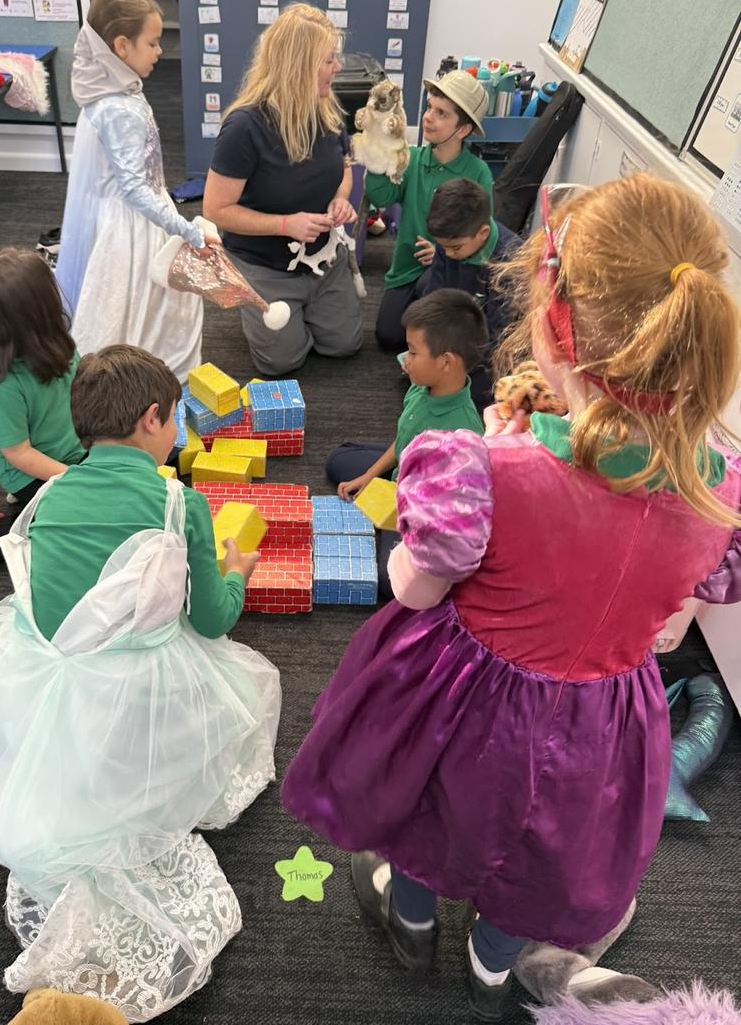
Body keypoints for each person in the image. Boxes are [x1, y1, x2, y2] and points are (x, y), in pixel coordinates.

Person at [282, 174, 741, 1020]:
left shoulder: (479, 467)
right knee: (542, 862)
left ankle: (411, 923)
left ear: (553, 329)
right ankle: (491, 971)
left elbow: (416, 586)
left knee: (426, 815)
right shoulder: (720, 493)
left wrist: (490, 465)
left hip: (465, 705)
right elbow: (672, 624)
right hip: (602, 725)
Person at [0, 344, 280, 1019]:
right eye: (177, 420)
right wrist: (237, 571)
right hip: (142, 690)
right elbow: (213, 621)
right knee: (241, 690)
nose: (179, 434)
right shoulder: (178, 502)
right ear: (150, 419)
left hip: (54, 685)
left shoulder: (47, 496)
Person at [55, 0, 218, 384]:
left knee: (136, 306)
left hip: (130, 212)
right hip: (133, 224)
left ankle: (130, 379)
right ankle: (134, 381)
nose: (160, 51)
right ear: (122, 46)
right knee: (141, 304)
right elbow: (134, 188)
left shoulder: (109, 94)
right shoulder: (118, 108)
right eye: (152, 42)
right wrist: (187, 230)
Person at [203, 2, 362, 376]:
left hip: (322, 256)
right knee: (281, 362)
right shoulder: (244, 127)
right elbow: (215, 210)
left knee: (344, 345)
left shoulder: (326, 110)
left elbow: (345, 169)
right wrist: (285, 225)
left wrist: (340, 199)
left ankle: (303, 308)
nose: (337, 68)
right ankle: (256, 301)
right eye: (328, 60)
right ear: (299, 66)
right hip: (264, 261)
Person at [325, 290, 486, 596]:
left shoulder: (464, 436)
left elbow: (450, 511)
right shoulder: (421, 387)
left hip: (421, 506)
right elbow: (404, 441)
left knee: (390, 582)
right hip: (404, 473)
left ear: (446, 362)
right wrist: (369, 476)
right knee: (338, 461)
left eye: (412, 352)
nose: (404, 360)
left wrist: (394, 507)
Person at [0, 248, 85, 585]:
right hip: (26, 469)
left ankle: (42, 499)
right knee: (80, 522)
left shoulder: (55, 346)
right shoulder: (0, 386)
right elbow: (19, 454)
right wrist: (74, 478)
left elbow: (78, 388)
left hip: (70, 450)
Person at [368, 70, 493, 353]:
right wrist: (376, 158)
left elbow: (483, 236)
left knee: (430, 323)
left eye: (441, 113)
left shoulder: (478, 173)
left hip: (451, 272)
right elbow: (381, 196)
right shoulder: (412, 160)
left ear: (463, 130)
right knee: (388, 336)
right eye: (429, 107)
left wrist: (440, 251)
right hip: (406, 269)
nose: (428, 117)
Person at [418, 178, 520, 410]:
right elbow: (435, 296)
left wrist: (451, 361)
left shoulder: (510, 263)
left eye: (455, 248)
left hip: (492, 349)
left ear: (483, 233)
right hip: (461, 328)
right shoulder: (452, 241)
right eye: (442, 247)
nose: (447, 254)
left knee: (470, 400)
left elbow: (499, 337)